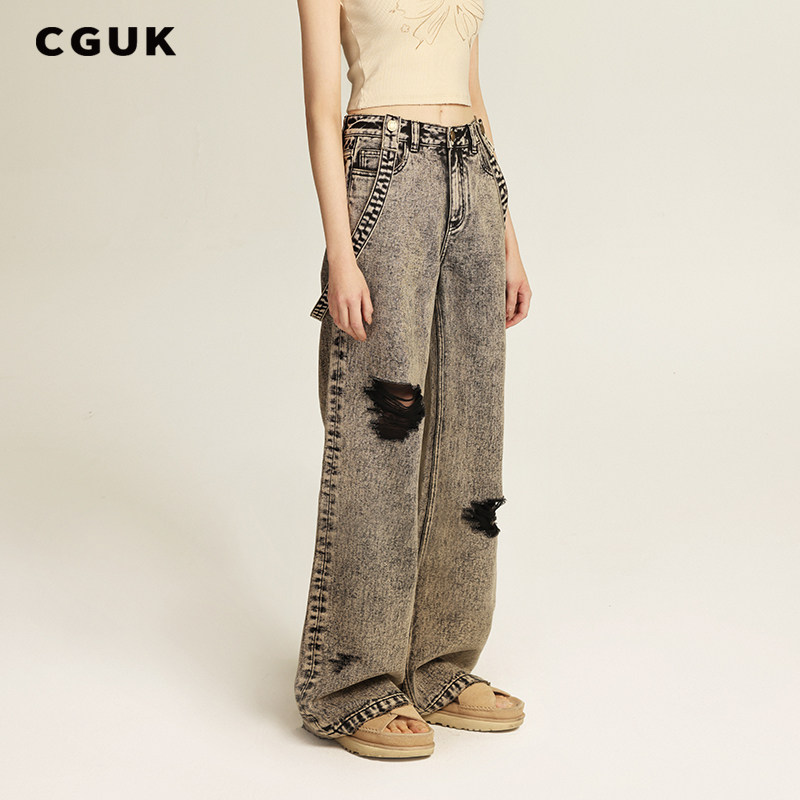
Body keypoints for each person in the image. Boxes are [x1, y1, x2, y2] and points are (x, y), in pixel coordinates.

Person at [293, 0, 532, 758]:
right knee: (383, 433)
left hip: (472, 175)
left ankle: (439, 666)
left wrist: (507, 237)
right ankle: (352, 683)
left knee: (471, 432)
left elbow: (473, 91)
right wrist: (341, 253)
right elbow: (321, 106)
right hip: (385, 174)